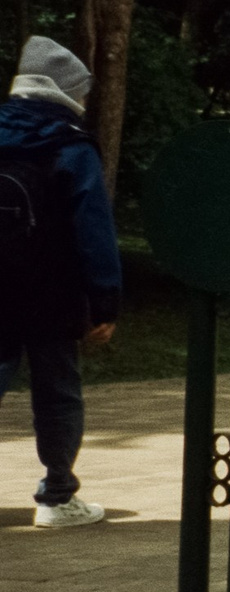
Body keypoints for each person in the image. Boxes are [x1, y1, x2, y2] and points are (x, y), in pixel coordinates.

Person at [0, 38, 120, 528]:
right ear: (64, 90)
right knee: (57, 392)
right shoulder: (70, 146)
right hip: (52, 291)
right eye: (81, 91)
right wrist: (105, 301)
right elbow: (93, 229)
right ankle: (56, 497)